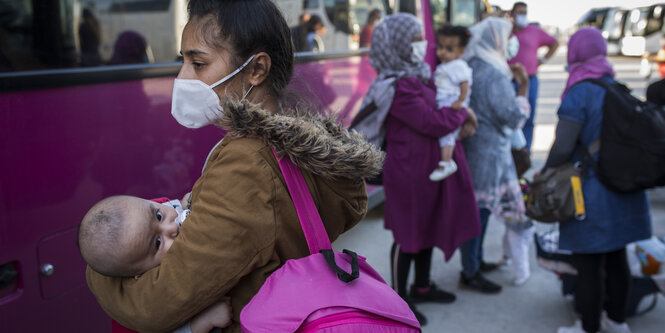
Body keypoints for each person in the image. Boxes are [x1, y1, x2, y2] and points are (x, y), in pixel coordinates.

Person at [84, 1, 384, 332]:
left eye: (198, 63)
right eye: (182, 61)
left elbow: (157, 305)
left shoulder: (246, 166)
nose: (183, 77)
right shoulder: (281, 145)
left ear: (256, 70)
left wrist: (99, 265)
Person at [369, 13, 481, 325]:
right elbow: (432, 122)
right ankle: (399, 298)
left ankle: (421, 286)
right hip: (408, 173)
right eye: (416, 38)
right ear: (399, 44)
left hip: (427, 168)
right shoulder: (398, 85)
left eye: (422, 37)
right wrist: (462, 114)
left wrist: (455, 111)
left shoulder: (418, 74)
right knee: (408, 235)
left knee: (427, 228)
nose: (423, 44)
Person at [551, 28, 652, 333]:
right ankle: (617, 322)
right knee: (617, 258)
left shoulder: (579, 91)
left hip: (592, 193)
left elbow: (563, 147)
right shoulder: (617, 87)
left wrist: (545, 174)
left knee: (588, 265)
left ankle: (589, 327)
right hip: (624, 189)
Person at [79, 196, 232, 333]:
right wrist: (202, 322)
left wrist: (185, 202)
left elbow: (176, 204)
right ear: (139, 274)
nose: (171, 228)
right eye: (158, 242)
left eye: (159, 216)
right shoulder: (152, 298)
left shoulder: (152, 210)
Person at [459, 17, 530, 294]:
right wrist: (522, 87)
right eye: (507, 36)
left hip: (477, 150)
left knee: (480, 209)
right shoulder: (493, 74)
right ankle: (470, 270)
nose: (512, 42)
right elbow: (511, 117)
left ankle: (474, 262)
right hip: (488, 153)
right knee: (480, 212)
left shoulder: (474, 65)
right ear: (496, 40)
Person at [508, 1, 559, 150]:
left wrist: (542, 59)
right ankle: (511, 150)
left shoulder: (534, 31)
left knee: (528, 118)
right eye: (519, 12)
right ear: (512, 14)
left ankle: (525, 151)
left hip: (530, 80)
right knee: (509, 117)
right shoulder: (507, 31)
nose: (522, 16)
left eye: (525, 12)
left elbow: (554, 43)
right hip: (509, 80)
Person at [429, 24, 472, 182]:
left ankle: (446, 163)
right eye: (440, 47)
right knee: (448, 136)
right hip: (446, 102)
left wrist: (460, 101)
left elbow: (465, 84)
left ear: (461, 52)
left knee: (446, 136)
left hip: (451, 103)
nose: (442, 52)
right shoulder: (447, 65)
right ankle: (446, 162)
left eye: (449, 49)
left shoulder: (458, 66)